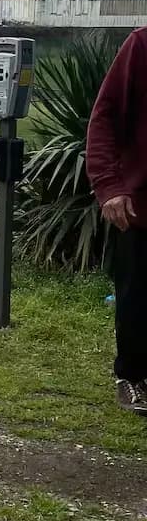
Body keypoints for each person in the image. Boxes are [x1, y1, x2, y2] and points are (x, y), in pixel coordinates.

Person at [87, 27, 147, 412]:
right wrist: (109, 186)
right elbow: (104, 117)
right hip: (141, 210)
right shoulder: (141, 46)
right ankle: (132, 378)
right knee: (138, 298)